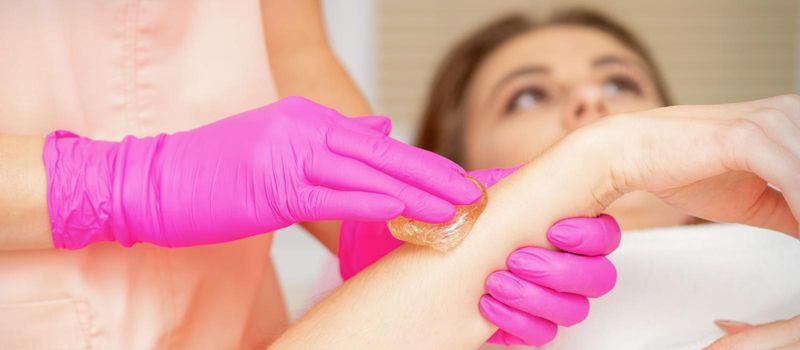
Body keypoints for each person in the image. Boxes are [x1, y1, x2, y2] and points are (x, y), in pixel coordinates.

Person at [0, 1, 616, 348]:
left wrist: (373, 220)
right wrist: (111, 183)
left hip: (233, 321)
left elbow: (293, 48)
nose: (590, 105)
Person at [269, 9, 800, 350]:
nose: (593, 102)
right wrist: (605, 155)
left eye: (620, 82)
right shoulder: (395, 308)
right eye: (528, 95)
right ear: (449, 167)